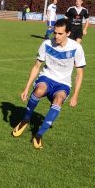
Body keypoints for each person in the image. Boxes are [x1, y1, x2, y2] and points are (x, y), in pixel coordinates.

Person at [11, 18, 86, 149]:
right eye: (55, 33)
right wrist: (27, 88)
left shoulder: (76, 48)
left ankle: (39, 135)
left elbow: (80, 73)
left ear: (68, 33)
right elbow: (36, 66)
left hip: (63, 84)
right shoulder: (46, 44)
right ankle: (25, 120)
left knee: (58, 100)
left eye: (60, 34)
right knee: (39, 90)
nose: (56, 36)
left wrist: (75, 95)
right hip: (47, 77)